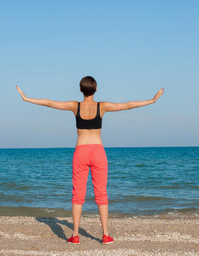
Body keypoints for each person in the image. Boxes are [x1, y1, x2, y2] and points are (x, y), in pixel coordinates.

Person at [16, 76, 164, 245]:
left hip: (80, 152)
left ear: (80, 90)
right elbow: (127, 105)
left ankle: (75, 235)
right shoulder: (102, 106)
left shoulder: (75, 106)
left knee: (77, 195)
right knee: (101, 195)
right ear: (95, 90)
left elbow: (50, 103)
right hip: (98, 152)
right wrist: (152, 101)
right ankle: (105, 235)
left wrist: (26, 98)